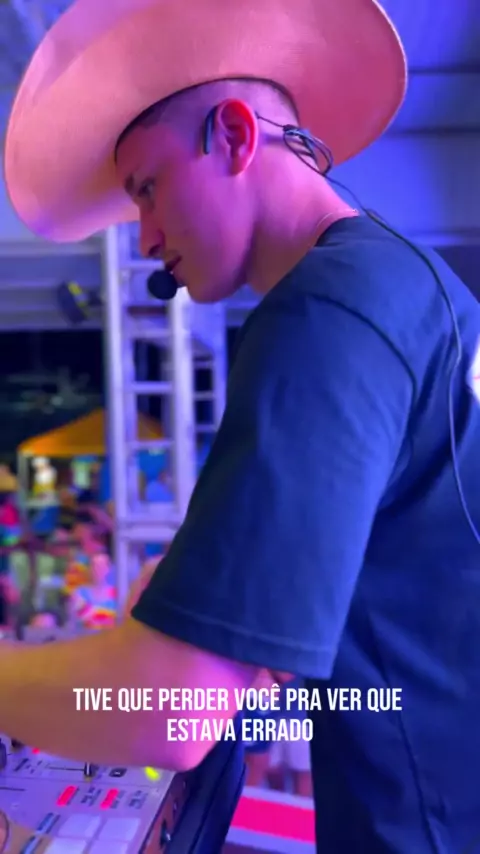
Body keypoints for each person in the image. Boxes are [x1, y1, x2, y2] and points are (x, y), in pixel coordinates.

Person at [2, 1, 480, 852]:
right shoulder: (411, 284)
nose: (146, 239)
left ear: (232, 135)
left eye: (148, 189)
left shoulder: (329, 313)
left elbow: (172, 709)